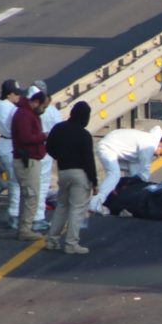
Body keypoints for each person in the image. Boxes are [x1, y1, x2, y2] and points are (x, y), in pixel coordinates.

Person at [44, 101, 97, 255]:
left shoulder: (59, 128)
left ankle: (52, 240)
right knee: (77, 209)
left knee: (62, 206)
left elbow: (49, 148)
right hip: (80, 174)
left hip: (63, 171)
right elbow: (89, 160)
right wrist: (94, 181)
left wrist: (60, 157)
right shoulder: (84, 135)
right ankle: (71, 244)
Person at [91, 126, 162, 211]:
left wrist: (137, 184)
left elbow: (137, 172)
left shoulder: (148, 140)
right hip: (108, 147)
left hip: (115, 148)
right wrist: (144, 187)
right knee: (114, 175)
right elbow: (145, 169)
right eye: (160, 154)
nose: (157, 156)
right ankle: (95, 203)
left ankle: (125, 204)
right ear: (161, 145)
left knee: (133, 177)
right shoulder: (149, 145)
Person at [25, 80, 63, 232]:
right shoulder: (51, 111)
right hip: (44, 153)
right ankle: (37, 218)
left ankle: (25, 218)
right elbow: (59, 132)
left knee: (27, 187)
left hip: (25, 152)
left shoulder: (23, 110)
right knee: (41, 185)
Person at [10, 90, 48, 241]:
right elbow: (26, 137)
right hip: (27, 160)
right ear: (36, 102)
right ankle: (25, 229)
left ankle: (24, 227)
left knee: (29, 195)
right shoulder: (24, 114)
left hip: (30, 159)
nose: (44, 110)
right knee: (31, 196)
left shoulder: (27, 113)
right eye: (43, 106)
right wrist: (43, 136)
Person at [0, 79, 22, 229]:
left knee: (16, 181)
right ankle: (14, 215)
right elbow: (16, 128)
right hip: (10, 145)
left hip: (4, 144)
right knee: (16, 181)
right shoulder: (9, 109)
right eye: (16, 94)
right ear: (10, 94)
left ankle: (15, 213)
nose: (18, 97)